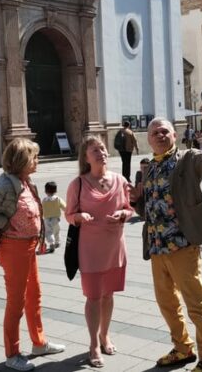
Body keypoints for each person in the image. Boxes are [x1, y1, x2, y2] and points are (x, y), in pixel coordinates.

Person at [130, 107, 202, 372]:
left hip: (182, 244)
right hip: (157, 247)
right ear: (148, 139)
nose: (159, 135)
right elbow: (149, 208)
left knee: (195, 302)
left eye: (164, 131)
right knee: (167, 303)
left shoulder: (188, 159)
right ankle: (182, 348)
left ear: (175, 135)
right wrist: (137, 202)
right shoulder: (148, 168)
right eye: (154, 132)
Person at [0, 138, 65, 371]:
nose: (37, 160)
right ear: (22, 160)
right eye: (34, 156)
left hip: (29, 247)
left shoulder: (25, 181)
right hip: (14, 250)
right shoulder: (3, 185)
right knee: (17, 302)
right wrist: (4, 223)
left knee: (35, 295)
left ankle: (39, 343)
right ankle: (12, 354)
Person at [65, 136, 134, 368]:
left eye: (102, 148)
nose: (101, 152)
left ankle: (105, 335)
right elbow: (69, 215)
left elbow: (129, 208)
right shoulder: (78, 184)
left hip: (115, 247)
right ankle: (93, 343)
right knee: (93, 297)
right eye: (94, 150)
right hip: (90, 250)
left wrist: (124, 215)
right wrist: (78, 217)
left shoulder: (120, 179)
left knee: (108, 295)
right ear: (85, 157)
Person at [41, 181, 66, 253]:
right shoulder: (57, 199)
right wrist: (67, 211)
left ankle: (51, 243)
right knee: (56, 231)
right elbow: (64, 207)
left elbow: (41, 209)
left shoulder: (44, 200)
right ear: (55, 190)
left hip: (46, 219)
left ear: (45, 191)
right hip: (55, 219)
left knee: (48, 232)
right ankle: (57, 242)